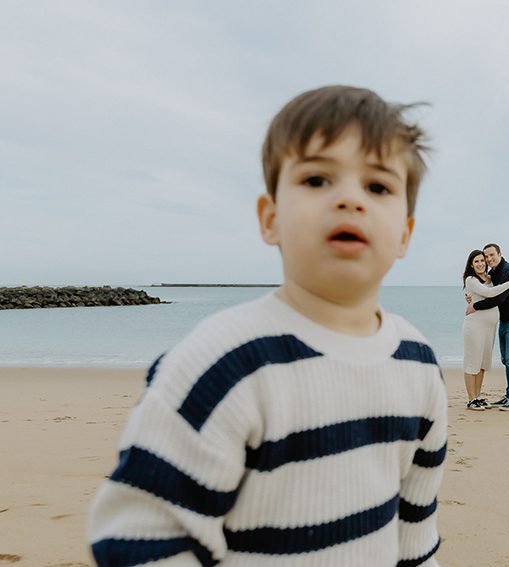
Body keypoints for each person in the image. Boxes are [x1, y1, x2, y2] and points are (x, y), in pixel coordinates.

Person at [88, 86, 447, 566]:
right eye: (318, 179)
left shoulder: (417, 364)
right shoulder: (225, 362)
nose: (349, 199)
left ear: (404, 234)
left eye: (378, 186)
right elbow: (136, 536)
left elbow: (415, 536)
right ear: (270, 219)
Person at [465, 243, 509, 411]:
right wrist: (473, 300)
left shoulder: (508, 270)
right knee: (506, 360)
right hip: (505, 321)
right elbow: (484, 291)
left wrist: (476, 306)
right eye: (485, 257)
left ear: (500, 254)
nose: (488, 259)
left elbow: (498, 298)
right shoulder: (493, 274)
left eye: (490, 255)